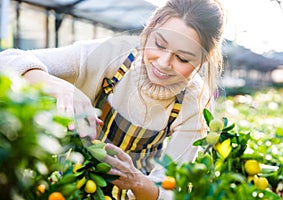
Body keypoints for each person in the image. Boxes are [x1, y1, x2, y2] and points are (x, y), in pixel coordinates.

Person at [0, 0, 226, 199]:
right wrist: (62, 88)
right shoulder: (113, 55)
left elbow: (170, 189)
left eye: (182, 58)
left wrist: (135, 180)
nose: (164, 62)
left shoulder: (195, 102)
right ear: (149, 31)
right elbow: (8, 59)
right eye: (159, 45)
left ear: (202, 61)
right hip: (64, 186)